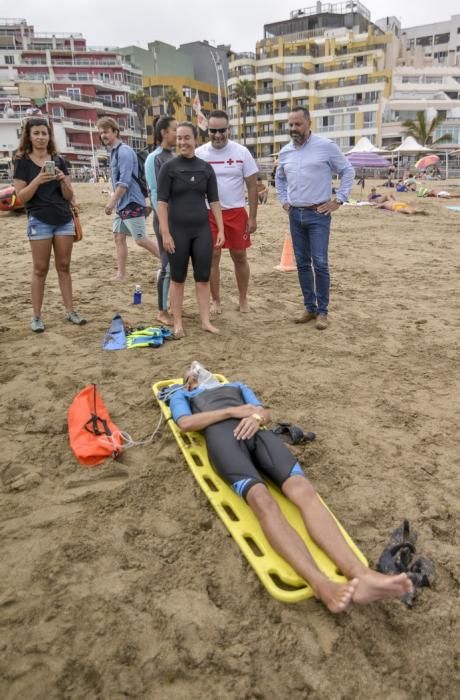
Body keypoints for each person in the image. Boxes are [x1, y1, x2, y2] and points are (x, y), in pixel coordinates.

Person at [169, 363, 414, 614]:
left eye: (199, 366)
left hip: (259, 436)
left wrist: (254, 417)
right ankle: (321, 585)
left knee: (304, 489)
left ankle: (362, 575)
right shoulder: (183, 394)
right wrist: (234, 410)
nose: (197, 368)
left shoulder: (236, 386)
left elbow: (266, 414)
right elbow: (186, 424)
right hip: (223, 442)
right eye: (191, 369)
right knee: (262, 499)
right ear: (187, 380)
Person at [275, 107, 354, 330]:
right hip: (295, 214)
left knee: (320, 263)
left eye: (298, 124)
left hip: (319, 214)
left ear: (309, 123)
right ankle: (309, 307)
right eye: (290, 124)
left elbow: (348, 171)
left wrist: (339, 200)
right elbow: (279, 179)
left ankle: (323, 312)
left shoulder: (326, 147)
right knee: (301, 263)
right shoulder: (285, 152)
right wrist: (284, 200)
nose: (293, 129)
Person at [13, 117, 86, 333]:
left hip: (63, 219)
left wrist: (63, 180)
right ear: (29, 135)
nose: (40, 137)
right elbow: (22, 197)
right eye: (36, 133)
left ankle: (70, 310)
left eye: (44, 133)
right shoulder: (22, 162)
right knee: (40, 269)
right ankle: (36, 315)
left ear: (49, 136)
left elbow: (70, 196)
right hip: (39, 220)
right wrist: (39, 179)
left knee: (64, 266)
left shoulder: (59, 160)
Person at [157, 122, 225, 339]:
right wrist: (165, 233)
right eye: (179, 138)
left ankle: (205, 321)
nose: (182, 142)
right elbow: (162, 203)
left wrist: (221, 230)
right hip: (177, 231)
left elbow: (214, 201)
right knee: (178, 278)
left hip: (201, 230)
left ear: (195, 139)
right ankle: (177, 323)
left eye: (187, 138)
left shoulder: (206, 168)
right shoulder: (169, 168)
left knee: (203, 278)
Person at [195, 110, 258, 314]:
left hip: (236, 212)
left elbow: (252, 186)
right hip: (209, 214)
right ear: (208, 130)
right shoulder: (200, 154)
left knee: (239, 256)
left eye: (222, 130)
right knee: (213, 257)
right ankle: (216, 300)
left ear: (228, 129)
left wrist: (253, 217)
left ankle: (243, 298)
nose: (218, 135)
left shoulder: (241, 152)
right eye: (213, 130)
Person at [97, 116, 159, 282]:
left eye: (106, 132)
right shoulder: (114, 152)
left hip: (131, 201)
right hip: (122, 203)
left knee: (140, 239)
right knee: (118, 237)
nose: (104, 135)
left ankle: (169, 263)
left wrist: (111, 203)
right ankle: (121, 274)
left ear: (115, 132)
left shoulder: (123, 152)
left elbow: (124, 182)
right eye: (101, 133)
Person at [145, 115, 178, 326]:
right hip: (164, 220)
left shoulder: (174, 156)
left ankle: (173, 305)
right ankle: (161, 310)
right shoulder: (154, 158)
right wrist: (164, 225)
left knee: (177, 265)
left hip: (179, 218)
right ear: (164, 132)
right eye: (175, 129)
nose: (178, 133)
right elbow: (155, 193)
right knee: (166, 265)